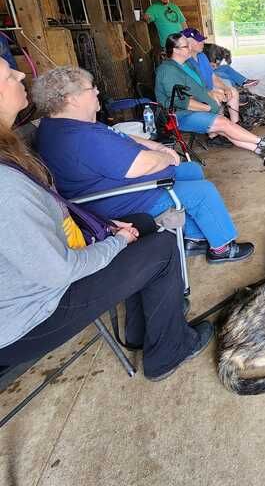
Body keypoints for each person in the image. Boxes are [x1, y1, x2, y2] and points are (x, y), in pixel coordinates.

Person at [0, 57, 213, 381]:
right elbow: (59, 270)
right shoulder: (5, 185)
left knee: (141, 222)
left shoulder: (18, 144)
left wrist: (106, 229)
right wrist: (116, 241)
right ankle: (169, 351)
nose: (19, 72)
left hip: (41, 274)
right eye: (7, 74)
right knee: (162, 246)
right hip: (28, 317)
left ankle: (143, 331)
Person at [32, 66, 254, 264]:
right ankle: (221, 248)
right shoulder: (80, 138)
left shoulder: (62, 124)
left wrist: (158, 148)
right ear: (72, 98)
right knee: (202, 192)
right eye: (92, 88)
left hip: (111, 186)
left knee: (191, 170)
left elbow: (116, 134)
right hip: (118, 199)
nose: (97, 91)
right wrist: (167, 157)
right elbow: (138, 166)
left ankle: (192, 237)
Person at [155, 33, 265, 165]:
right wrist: (208, 107)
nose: (190, 48)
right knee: (223, 123)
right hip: (178, 115)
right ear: (176, 50)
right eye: (186, 46)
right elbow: (179, 101)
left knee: (224, 128)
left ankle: (259, 150)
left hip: (194, 109)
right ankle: (262, 142)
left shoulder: (186, 65)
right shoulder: (168, 70)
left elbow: (201, 86)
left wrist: (213, 93)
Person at [182, 28, 241, 125]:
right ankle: (215, 132)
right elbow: (190, 87)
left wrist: (225, 88)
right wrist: (211, 93)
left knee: (232, 91)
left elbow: (213, 77)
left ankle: (235, 124)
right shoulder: (185, 61)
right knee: (216, 98)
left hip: (208, 90)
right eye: (199, 40)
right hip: (196, 95)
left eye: (202, 40)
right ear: (188, 43)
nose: (203, 42)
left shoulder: (202, 56)